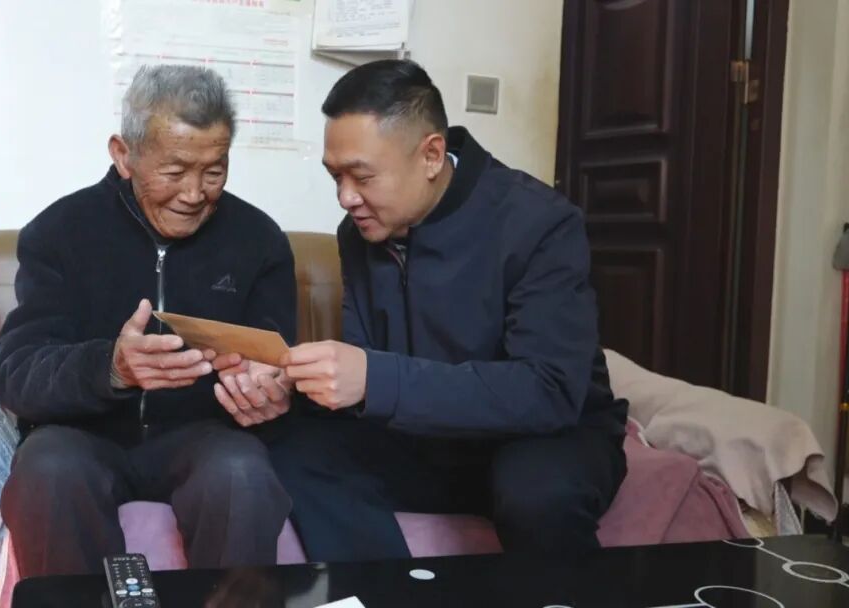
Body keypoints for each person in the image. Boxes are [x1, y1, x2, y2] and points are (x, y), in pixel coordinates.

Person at [216, 59, 628, 561]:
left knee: (536, 493)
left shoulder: (540, 223)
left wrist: (374, 379)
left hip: (543, 435)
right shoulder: (361, 233)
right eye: (335, 176)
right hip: (427, 437)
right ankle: (382, 591)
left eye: (362, 176)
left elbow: (549, 391)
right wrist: (291, 383)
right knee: (292, 445)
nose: (345, 197)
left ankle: (568, 594)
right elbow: (366, 368)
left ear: (431, 155)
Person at [0, 64, 296, 577]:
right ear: (124, 154)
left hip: (203, 436)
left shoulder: (258, 241)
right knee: (48, 469)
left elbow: (279, 366)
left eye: (214, 171)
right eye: (174, 172)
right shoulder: (60, 232)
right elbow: (15, 375)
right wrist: (112, 368)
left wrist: (272, 391)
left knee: (242, 473)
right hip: (83, 435)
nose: (194, 193)